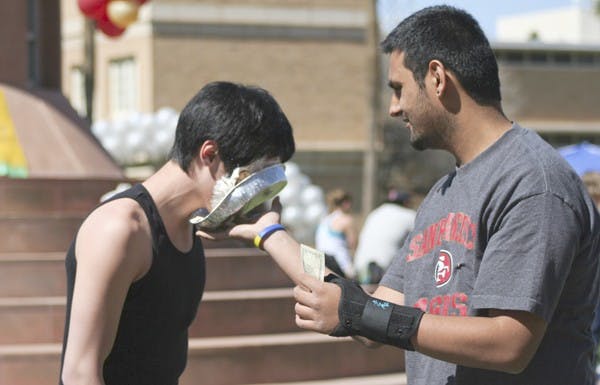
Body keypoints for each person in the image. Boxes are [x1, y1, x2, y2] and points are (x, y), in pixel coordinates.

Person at [205, 6, 600, 385]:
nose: (394, 108)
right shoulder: (443, 194)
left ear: (437, 78)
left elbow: (509, 343)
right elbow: (369, 311)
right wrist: (270, 234)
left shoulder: (532, 182)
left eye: (399, 89)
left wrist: (367, 316)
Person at [59, 81, 295, 385]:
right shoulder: (121, 228)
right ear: (209, 154)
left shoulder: (189, 229)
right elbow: (80, 373)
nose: (258, 196)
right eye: (255, 177)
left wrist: (269, 233)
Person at [353, 189, 416, 284]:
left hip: (359, 268)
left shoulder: (375, 212)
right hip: (381, 271)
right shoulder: (409, 215)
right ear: (406, 202)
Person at [314, 188, 358, 278]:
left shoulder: (323, 220)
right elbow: (354, 244)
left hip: (321, 265)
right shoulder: (346, 219)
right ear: (346, 203)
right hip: (341, 266)